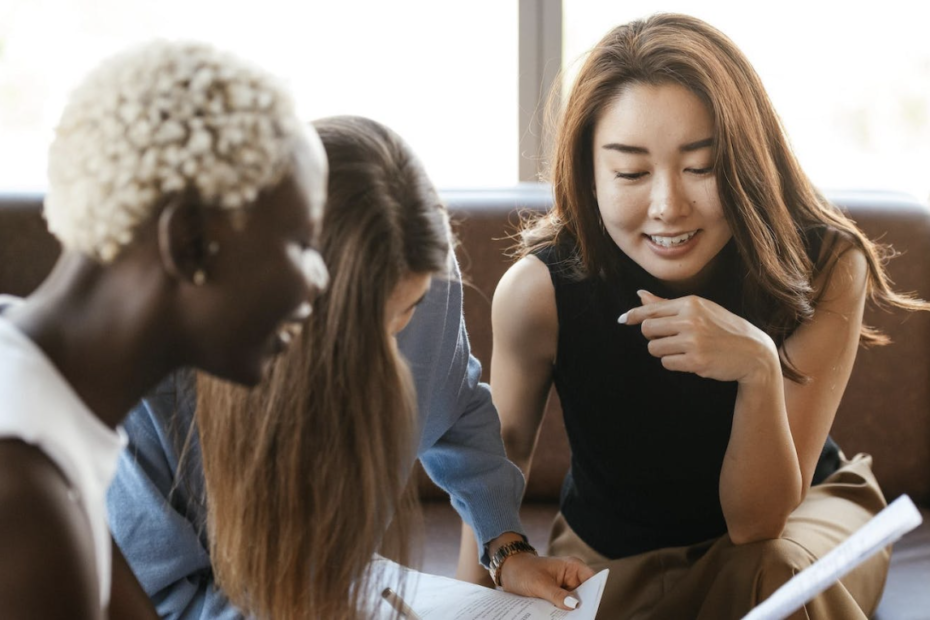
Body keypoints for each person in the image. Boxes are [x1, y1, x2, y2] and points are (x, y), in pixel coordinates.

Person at [456, 13, 929, 619]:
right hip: (610, 545)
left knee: (772, 578)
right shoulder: (539, 289)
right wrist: (465, 606)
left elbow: (759, 524)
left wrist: (758, 369)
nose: (668, 206)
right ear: (589, 175)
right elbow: (505, 449)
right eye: (630, 172)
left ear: (747, 162)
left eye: (701, 167)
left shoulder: (826, 265)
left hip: (795, 524)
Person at [107, 115, 593, 620]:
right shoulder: (147, 382)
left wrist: (507, 547)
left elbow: (457, 409)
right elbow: (158, 599)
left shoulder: (423, 280)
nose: (389, 356)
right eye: (361, 330)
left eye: (405, 312)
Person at [0, 41, 329, 619]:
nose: (318, 280)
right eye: (302, 244)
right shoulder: (26, 496)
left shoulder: (42, 401)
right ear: (190, 243)